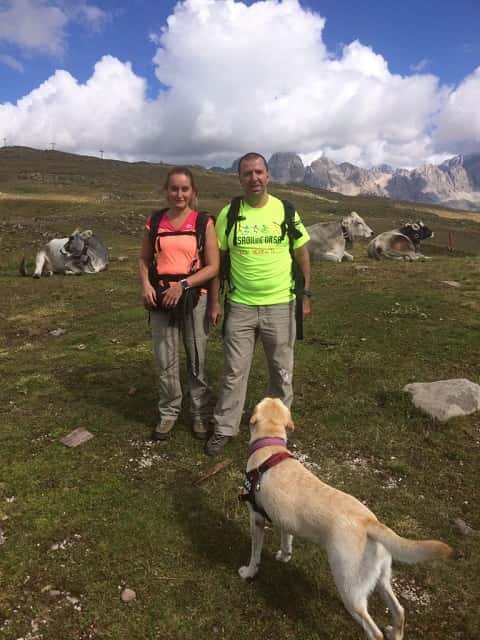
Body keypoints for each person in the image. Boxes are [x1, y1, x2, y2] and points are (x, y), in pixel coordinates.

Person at [205, 152, 311, 456]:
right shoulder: (229, 213)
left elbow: (301, 254)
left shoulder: (286, 210)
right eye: (247, 173)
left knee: (281, 371)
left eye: (259, 172)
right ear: (239, 178)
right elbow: (218, 261)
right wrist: (215, 301)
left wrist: (305, 294)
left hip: (281, 303)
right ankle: (224, 428)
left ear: (268, 175)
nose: (254, 178)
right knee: (234, 371)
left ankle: (277, 431)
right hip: (240, 304)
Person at [139, 167, 220, 441]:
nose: (179, 194)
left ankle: (199, 414)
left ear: (193, 192)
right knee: (165, 359)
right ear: (166, 191)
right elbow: (143, 259)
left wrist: (183, 285)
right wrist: (147, 285)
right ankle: (168, 413)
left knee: (196, 358)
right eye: (174, 188)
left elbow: (213, 267)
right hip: (161, 299)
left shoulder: (203, 222)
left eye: (185, 189)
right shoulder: (155, 221)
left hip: (193, 298)